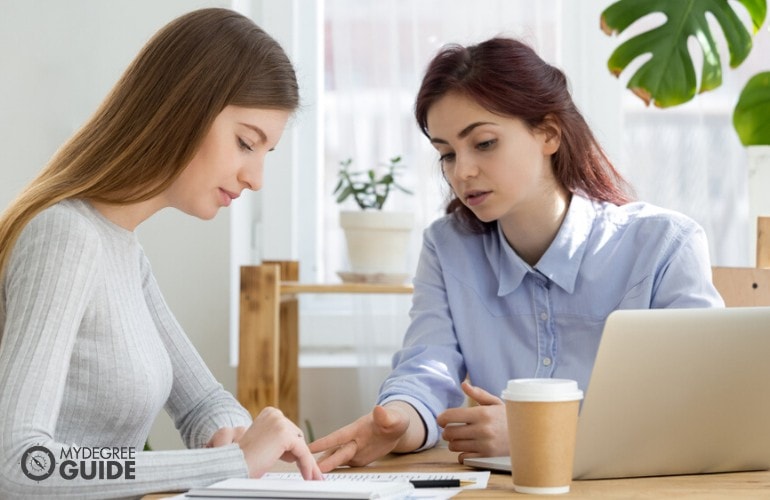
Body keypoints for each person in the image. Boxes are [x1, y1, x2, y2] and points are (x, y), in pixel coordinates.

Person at [309, 37, 724, 471]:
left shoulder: (663, 246)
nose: (462, 171)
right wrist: (398, 420)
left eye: (484, 143)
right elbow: (426, 371)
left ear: (548, 133)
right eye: (446, 154)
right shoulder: (447, 248)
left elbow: (702, 407)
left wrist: (536, 432)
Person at [0, 8, 322, 498]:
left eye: (264, 154)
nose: (255, 178)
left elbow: (202, 403)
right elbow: (21, 463)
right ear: (185, 109)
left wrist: (230, 431)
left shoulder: (123, 251)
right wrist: (230, 461)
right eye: (244, 143)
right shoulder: (65, 238)